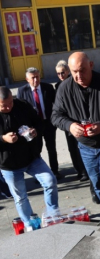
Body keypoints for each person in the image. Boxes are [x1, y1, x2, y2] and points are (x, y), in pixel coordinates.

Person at [52, 52, 100, 221]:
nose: (79, 76)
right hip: (85, 144)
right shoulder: (64, 88)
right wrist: (69, 125)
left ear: (91, 65)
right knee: (96, 181)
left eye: (82, 70)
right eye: (74, 71)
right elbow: (56, 116)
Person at [0, 86, 59, 226]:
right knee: (20, 197)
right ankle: (29, 223)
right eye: (3, 106)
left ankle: (53, 214)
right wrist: (3, 139)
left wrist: (35, 130)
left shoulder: (22, 105)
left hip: (31, 157)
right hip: (9, 164)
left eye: (10, 103)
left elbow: (39, 122)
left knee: (50, 181)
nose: (8, 108)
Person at [17, 67, 62, 180]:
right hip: (33, 127)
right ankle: (40, 174)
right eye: (33, 78)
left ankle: (55, 171)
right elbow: (19, 110)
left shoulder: (48, 88)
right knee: (36, 150)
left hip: (48, 124)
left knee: (51, 148)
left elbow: (56, 105)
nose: (36, 80)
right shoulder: (22, 91)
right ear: (27, 79)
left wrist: (55, 120)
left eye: (37, 77)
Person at [54, 61, 90, 182]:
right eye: (58, 74)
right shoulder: (58, 86)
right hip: (67, 122)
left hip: (79, 120)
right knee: (72, 148)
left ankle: (85, 171)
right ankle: (78, 170)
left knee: (81, 146)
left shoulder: (76, 82)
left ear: (68, 71)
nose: (60, 76)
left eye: (62, 73)